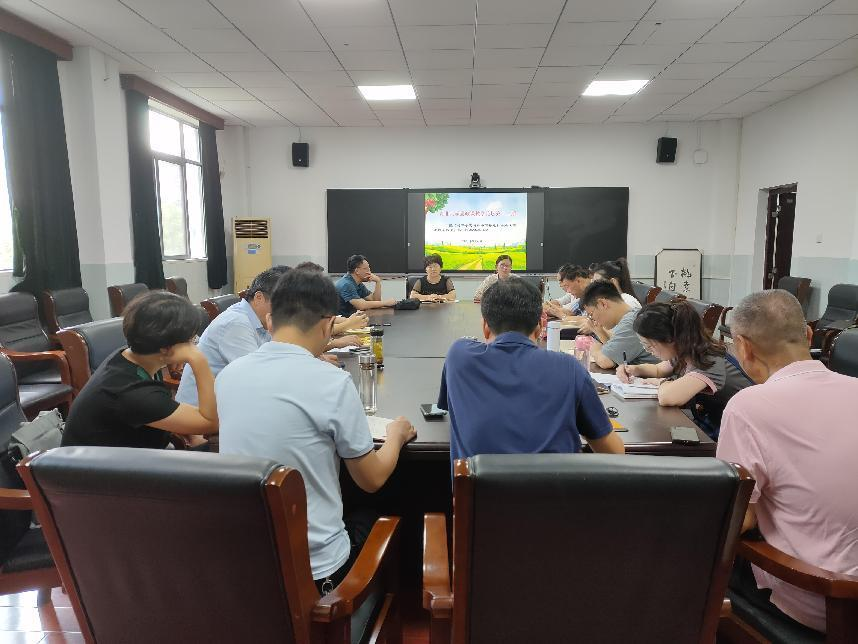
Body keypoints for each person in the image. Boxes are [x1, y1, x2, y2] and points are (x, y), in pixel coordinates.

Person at [217, 270, 417, 594]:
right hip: (317, 573)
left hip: (243, 567)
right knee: (376, 512)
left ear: (270, 320)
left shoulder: (228, 375)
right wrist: (396, 434)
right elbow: (371, 479)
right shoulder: (332, 382)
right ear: (328, 325)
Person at [716, 289, 858, 635]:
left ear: (743, 347)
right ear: (808, 334)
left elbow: (738, 519)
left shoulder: (749, 406)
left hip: (827, 599)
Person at [438, 279, 625, 463]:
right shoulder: (570, 368)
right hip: (555, 484)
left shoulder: (459, 356)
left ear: (485, 327)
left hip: (478, 484)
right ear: (540, 326)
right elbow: (614, 453)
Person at [62, 291, 218, 448]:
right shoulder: (131, 392)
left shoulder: (133, 356)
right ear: (166, 347)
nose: (193, 344)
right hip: (106, 463)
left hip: (132, 451)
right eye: (191, 340)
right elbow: (211, 423)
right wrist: (198, 360)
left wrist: (190, 430)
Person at [617, 301, 752, 438]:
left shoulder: (709, 360)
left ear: (669, 339)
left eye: (649, 345)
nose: (647, 350)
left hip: (741, 432)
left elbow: (668, 397)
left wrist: (663, 382)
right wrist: (634, 369)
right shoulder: (686, 350)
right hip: (716, 422)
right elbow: (658, 370)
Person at [176, 266, 290, 406]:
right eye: (283, 304)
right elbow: (257, 378)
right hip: (200, 410)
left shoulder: (260, 319)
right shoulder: (236, 324)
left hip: (229, 399)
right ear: (259, 298)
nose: (288, 312)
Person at [579, 280, 658, 369]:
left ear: (603, 304)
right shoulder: (630, 316)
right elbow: (613, 348)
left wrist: (592, 346)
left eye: (591, 314)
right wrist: (599, 331)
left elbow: (606, 361)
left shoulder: (632, 323)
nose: (592, 319)